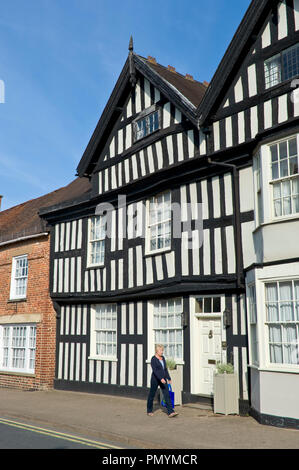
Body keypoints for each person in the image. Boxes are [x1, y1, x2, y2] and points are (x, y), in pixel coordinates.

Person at [147, 344, 178, 418]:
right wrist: (161, 378)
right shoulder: (153, 359)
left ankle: (171, 412)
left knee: (167, 394)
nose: (162, 352)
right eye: (161, 350)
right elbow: (155, 371)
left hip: (163, 379)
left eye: (162, 350)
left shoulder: (163, 358)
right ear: (157, 351)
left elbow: (165, 369)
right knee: (152, 394)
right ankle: (149, 410)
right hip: (155, 379)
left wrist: (169, 378)